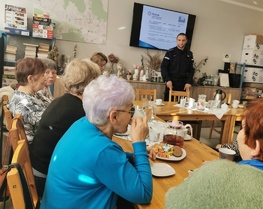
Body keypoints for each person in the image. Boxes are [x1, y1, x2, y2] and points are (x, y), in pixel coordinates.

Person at [41, 76, 154, 209]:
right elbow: (144, 194)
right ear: (114, 116)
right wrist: (139, 143)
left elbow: (97, 161)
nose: (131, 116)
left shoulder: (82, 123)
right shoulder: (103, 151)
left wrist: (134, 156)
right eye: (131, 110)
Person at [165, 97, 263, 208]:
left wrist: (207, 175)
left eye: (243, 128)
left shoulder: (218, 175)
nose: (240, 133)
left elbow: (171, 202)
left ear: (257, 146)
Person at [29, 59, 101, 198]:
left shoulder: (61, 101)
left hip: (37, 169)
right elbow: (94, 150)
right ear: (91, 83)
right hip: (46, 179)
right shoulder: (79, 111)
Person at [216, 83, 263, 158]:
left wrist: (225, 147)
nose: (261, 102)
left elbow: (246, 147)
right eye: (261, 97)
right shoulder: (259, 117)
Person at [7, 57, 48, 144]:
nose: (45, 78)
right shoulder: (23, 105)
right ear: (30, 79)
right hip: (38, 150)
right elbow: (50, 123)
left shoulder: (34, 94)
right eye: (42, 75)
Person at [161, 33, 195, 101]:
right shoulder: (170, 52)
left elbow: (191, 69)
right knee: (168, 106)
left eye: (183, 40)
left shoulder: (189, 54)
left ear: (186, 41)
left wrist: (189, 82)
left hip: (183, 84)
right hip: (171, 83)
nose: (181, 42)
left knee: (182, 107)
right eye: (179, 40)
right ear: (176, 40)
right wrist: (167, 80)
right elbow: (163, 67)